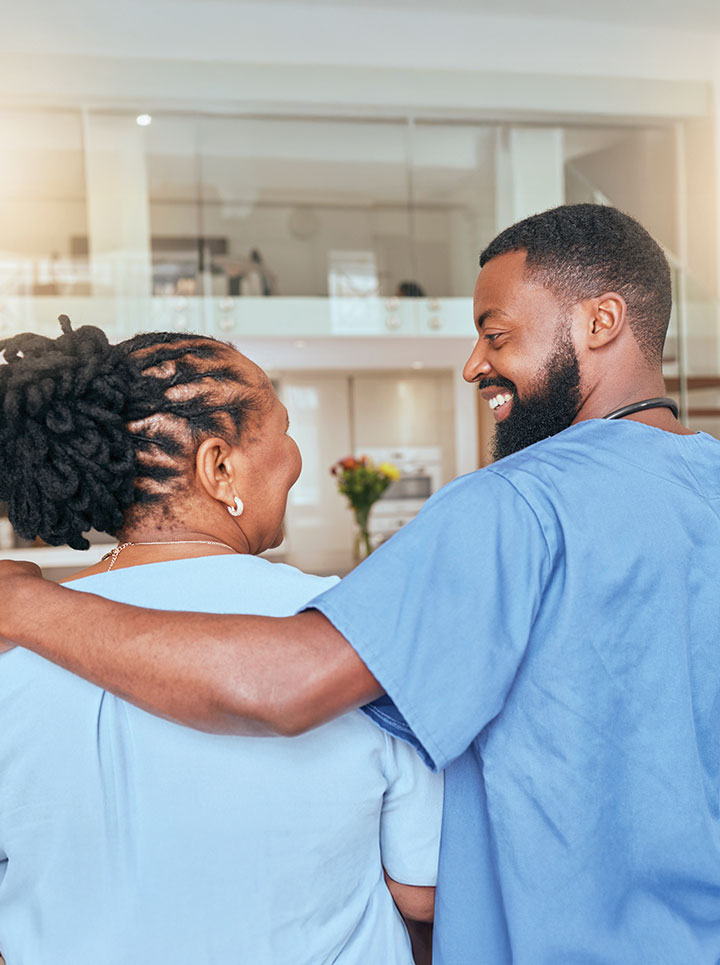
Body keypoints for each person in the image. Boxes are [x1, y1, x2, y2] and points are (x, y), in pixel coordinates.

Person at [2, 203, 720, 962]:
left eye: (495, 333)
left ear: (602, 320)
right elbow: (420, 886)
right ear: (218, 467)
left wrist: (29, 601)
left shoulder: (516, 503)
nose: (474, 363)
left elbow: (290, 680)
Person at [0, 322, 442, 964]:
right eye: (283, 429)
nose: (293, 456)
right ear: (219, 466)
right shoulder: (339, 630)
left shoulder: (17, 640)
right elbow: (422, 890)